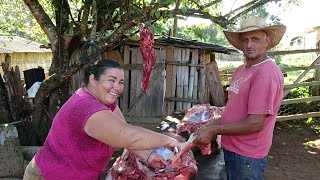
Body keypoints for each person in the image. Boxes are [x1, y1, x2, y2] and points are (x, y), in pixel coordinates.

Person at [23, 59, 180, 180]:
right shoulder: (85, 106)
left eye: (120, 82)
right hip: (48, 175)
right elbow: (128, 136)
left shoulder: (103, 101)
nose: (117, 87)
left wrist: (147, 156)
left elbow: (122, 132)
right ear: (93, 79)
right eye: (111, 80)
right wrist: (169, 140)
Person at [194, 16, 286, 180]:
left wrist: (214, 130)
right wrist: (209, 126)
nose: (249, 45)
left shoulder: (265, 73)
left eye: (255, 39)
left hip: (247, 154)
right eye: (245, 40)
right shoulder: (241, 70)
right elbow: (234, 110)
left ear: (267, 40)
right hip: (233, 148)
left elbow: (255, 123)